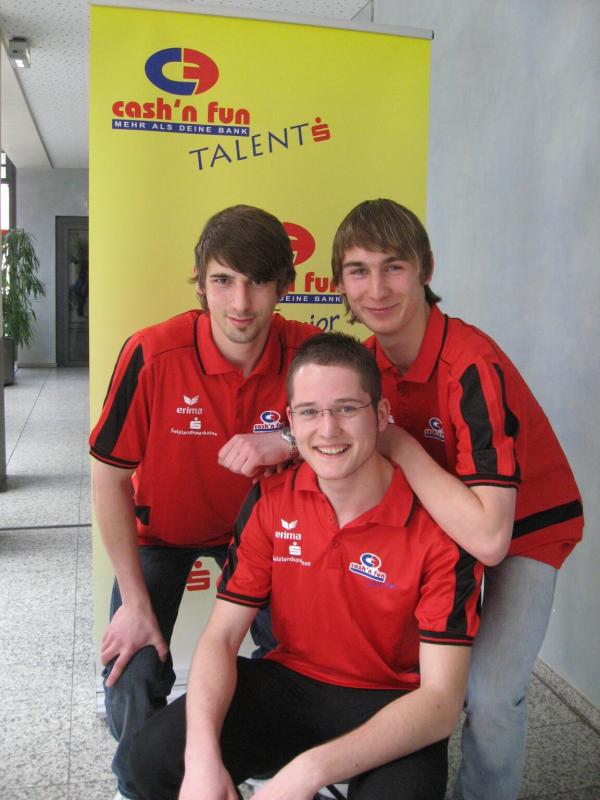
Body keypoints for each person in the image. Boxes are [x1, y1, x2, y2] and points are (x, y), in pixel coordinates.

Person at [128, 332, 483, 800]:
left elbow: (440, 702)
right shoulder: (271, 501)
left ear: (381, 415)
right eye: (310, 412)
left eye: (347, 408)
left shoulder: (439, 528)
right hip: (288, 683)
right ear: (291, 421)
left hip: (391, 700)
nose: (328, 430)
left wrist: (307, 772)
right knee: (148, 761)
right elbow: (221, 638)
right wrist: (200, 757)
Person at [330, 199, 584, 800]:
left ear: (426, 269)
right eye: (359, 270)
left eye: (394, 267)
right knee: (387, 665)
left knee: (490, 694)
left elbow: (492, 539)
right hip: (443, 524)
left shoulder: (470, 362)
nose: (376, 289)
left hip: (525, 530)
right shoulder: (365, 363)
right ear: (339, 283)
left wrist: (398, 444)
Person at [89, 205, 318, 800]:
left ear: (285, 285)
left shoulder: (312, 354)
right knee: (132, 666)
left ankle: (267, 765)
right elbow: (108, 477)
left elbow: (368, 427)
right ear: (199, 283)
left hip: (267, 537)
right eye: (223, 281)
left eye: (258, 282)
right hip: (164, 535)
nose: (240, 302)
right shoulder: (152, 352)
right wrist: (133, 602)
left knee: (303, 660)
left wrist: (289, 439)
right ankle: (146, 783)